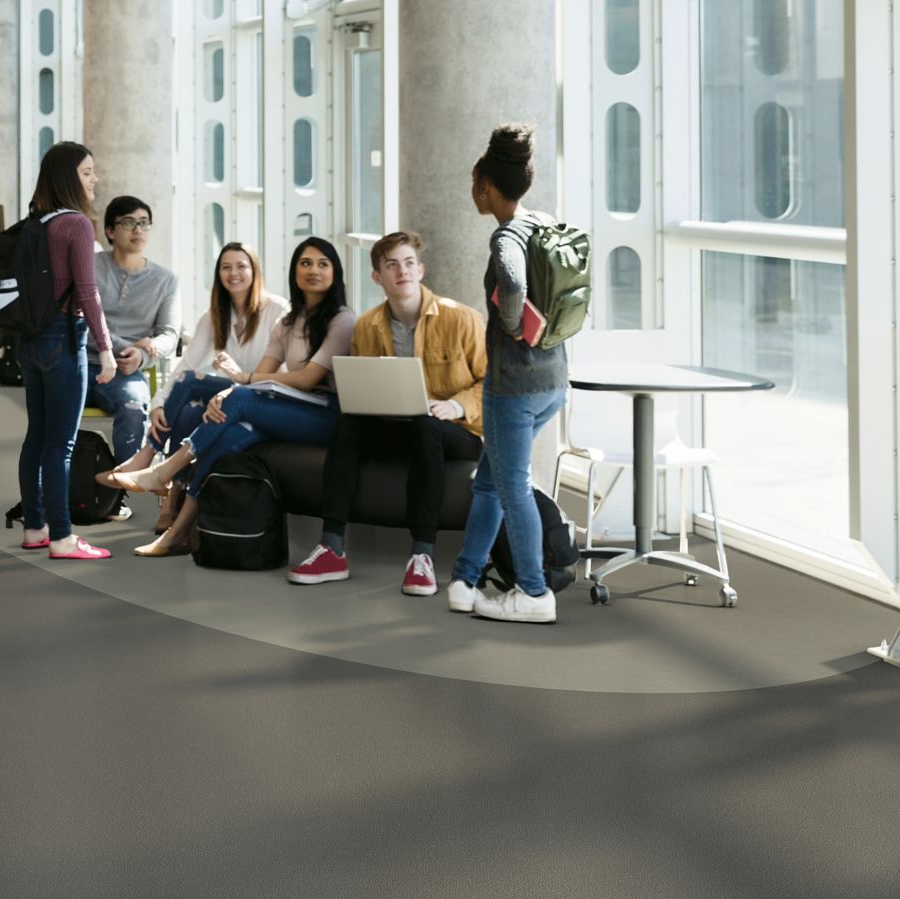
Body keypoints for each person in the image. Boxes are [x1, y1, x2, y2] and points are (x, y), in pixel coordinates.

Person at [112, 238, 356, 556]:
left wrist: (240, 383)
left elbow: (308, 379)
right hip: (289, 408)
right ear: (294, 271)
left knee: (237, 400)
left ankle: (165, 470)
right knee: (230, 434)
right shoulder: (287, 323)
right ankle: (178, 533)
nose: (313, 270)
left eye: (323, 264)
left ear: (335, 272)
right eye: (305, 263)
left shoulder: (342, 319)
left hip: (326, 414)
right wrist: (232, 389)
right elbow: (260, 377)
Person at [285, 231, 486, 597]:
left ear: (421, 270)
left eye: (409, 263)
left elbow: (493, 386)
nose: (402, 271)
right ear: (377, 277)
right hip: (400, 427)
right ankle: (332, 548)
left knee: (426, 426)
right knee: (348, 425)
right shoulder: (368, 326)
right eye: (391, 265)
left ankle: (421, 556)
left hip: (457, 431)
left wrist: (455, 405)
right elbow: (364, 388)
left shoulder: (462, 319)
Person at [446, 125, 571, 625]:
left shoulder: (506, 236)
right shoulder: (545, 222)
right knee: (491, 482)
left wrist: (510, 324)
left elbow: (514, 282)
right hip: (552, 381)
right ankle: (465, 579)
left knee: (512, 485)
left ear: (484, 186)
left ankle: (535, 593)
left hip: (513, 387)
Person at [11, 141, 116, 562]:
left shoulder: (37, 220)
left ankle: (35, 528)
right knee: (61, 445)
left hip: (30, 339)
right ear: (68, 177)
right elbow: (87, 294)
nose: (95, 179)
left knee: (36, 437)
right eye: (88, 172)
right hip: (64, 338)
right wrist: (105, 349)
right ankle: (63, 537)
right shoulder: (76, 225)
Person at [85, 196, 179, 465]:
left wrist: (142, 356)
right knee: (54, 409)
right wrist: (128, 345)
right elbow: (80, 322)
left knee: (134, 407)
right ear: (110, 231)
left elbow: (169, 334)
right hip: (80, 361)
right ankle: (56, 489)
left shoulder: (165, 280)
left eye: (144, 223)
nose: (138, 230)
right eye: (128, 223)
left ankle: (122, 488)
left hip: (125, 370)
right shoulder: (89, 267)